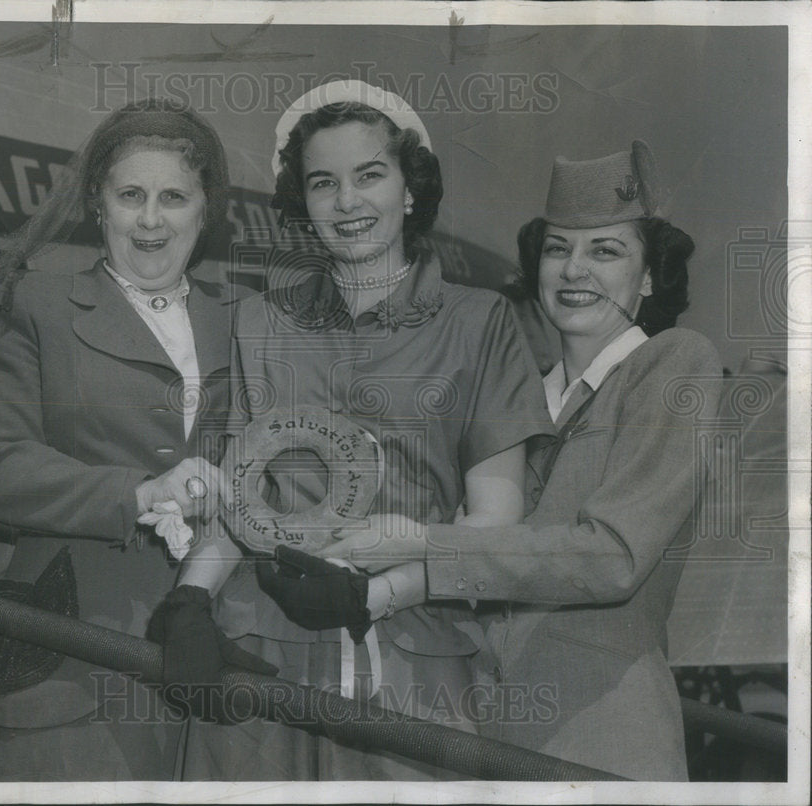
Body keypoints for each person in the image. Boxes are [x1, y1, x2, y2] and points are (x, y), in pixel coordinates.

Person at [149, 80, 553, 780]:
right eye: (323, 184)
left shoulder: (479, 322)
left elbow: (498, 527)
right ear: (302, 204)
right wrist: (191, 598)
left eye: (370, 176)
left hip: (414, 664)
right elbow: (241, 500)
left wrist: (375, 593)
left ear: (409, 188)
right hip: (264, 653)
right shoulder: (260, 323)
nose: (347, 202)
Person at [310, 141, 723, 780]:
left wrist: (422, 543)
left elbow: (610, 557)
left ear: (648, 278)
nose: (574, 269)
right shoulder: (520, 396)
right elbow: (491, 558)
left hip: (604, 745)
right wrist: (377, 589)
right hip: (487, 744)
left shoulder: (674, 364)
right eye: (558, 249)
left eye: (605, 250)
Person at [0, 98, 274, 781]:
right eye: (130, 195)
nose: (151, 219)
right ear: (99, 205)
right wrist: (138, 492)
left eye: (173, 198)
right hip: (71, 649)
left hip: (214, 647)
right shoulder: (32, 305)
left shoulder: (244, 319)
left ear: (204, 211)